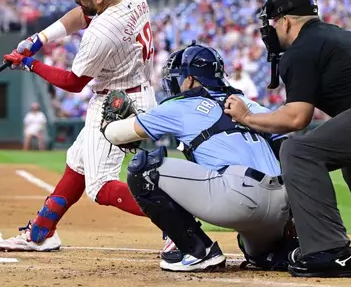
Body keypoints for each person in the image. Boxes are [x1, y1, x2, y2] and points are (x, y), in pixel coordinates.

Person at [0, 0, 158, 252]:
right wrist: (40, 37)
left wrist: (31, 64)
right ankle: (42, 232)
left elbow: (73, 83)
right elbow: (84, 15)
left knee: (100, 186)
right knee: (77, 165)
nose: (77, 1)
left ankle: (176, 224)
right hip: (131, 92)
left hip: (117, 105)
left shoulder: (102, 33)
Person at [225, 0, 351, 278]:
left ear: (285, 21)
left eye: (273, 23)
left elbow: (297, 118)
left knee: (298, 151)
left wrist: (247, 116)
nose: (271, 30)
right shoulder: (339, 37)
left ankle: (330, 251)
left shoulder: (300, 50)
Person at [101, 43, 294, 272]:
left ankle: (197, 251)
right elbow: (288, 152)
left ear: (190, 80)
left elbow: (116, 134)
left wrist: (109, 122)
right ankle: (281, 250)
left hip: (238, 199)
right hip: (280, 207)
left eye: (179, 77)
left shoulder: (182, 105)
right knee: (258, 253)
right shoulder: (251, 105)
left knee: (143, 169)